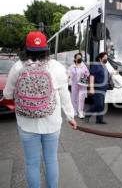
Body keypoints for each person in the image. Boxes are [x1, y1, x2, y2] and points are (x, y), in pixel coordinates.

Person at [3, 31, 77, 188]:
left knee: (31, 163)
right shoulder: (57, 67)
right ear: (46, 49)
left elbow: (7, 94)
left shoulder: (17, 67)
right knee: (51, 160)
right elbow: (65, 95)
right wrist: (71, 117)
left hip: (26, 124)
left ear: (26, 49)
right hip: (52, 124)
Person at [85, 52, 109, 124]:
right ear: (100, 58)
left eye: (106, 57)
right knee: (99, 104)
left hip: (104, 88)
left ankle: (99, 120)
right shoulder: (96, 66)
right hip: (97, 88)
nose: (106, 59)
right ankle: (87, 114)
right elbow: (92, 77)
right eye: (105, 57)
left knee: (102, 105)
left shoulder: (104, 66)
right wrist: (91, 88)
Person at [68, 53, 90, 119]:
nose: (79, 58)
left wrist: (85, 75)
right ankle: (74, 111)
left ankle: (80, 112)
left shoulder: (84, 66)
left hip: (82, 83)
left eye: (80, 57)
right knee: (74, 98)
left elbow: (88, 73)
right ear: (75, 59)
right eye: (78, 57)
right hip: (74, 84)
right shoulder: (72, 66)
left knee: (81, 98)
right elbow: (68, 75)